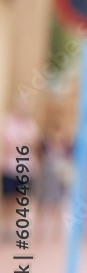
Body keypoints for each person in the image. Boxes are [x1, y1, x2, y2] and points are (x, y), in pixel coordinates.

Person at [1, 98, 40, 240]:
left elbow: (33, 145)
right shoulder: (9, 123)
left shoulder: (31, 125)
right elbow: (9, 145)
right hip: (11, 167)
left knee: (21, 199)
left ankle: (14, 227)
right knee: (7, 199)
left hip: (26, 168)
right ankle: (4, 226)